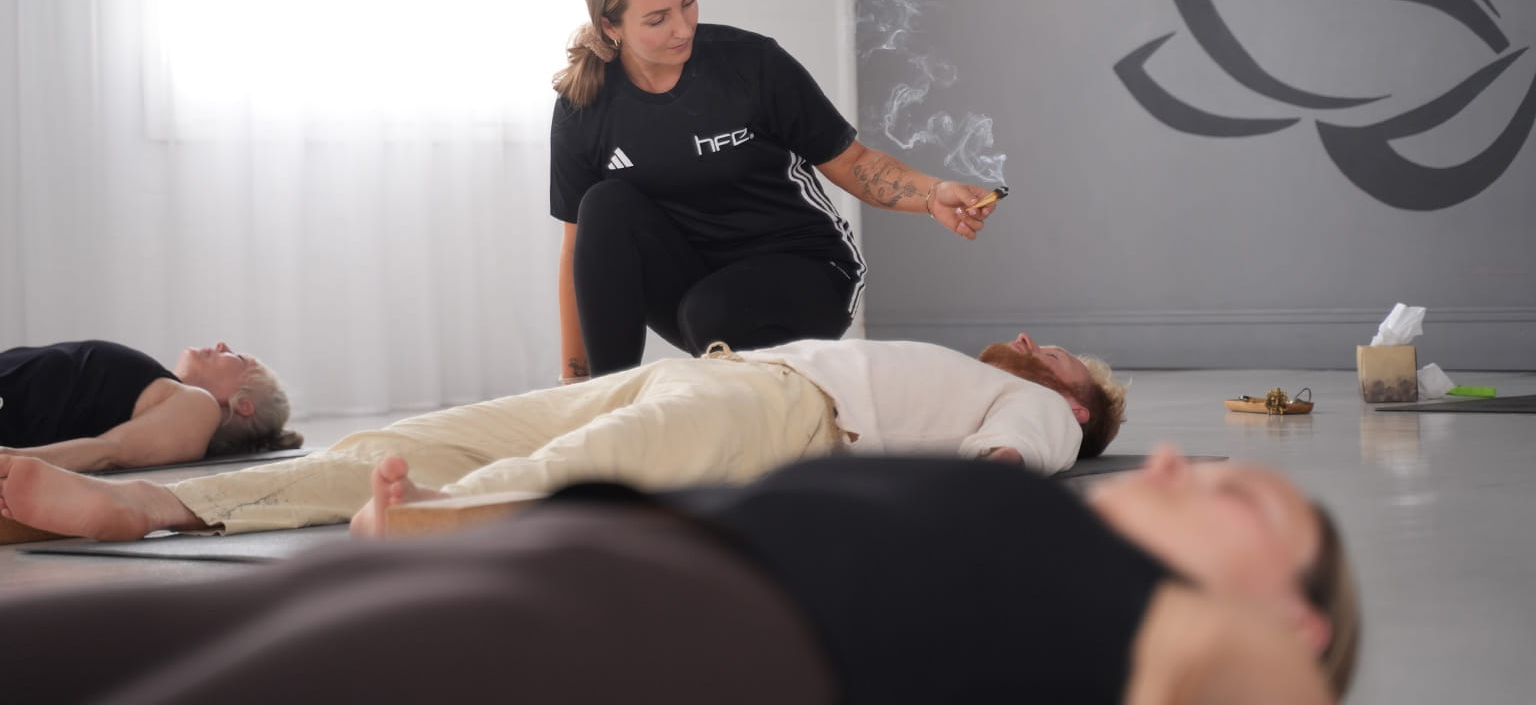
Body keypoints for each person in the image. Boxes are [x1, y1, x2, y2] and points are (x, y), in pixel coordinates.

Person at [0, 452, 1359, 705]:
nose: (1177, 460)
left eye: (1240, 494)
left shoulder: (1176, 639)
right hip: (561, 559)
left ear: (1293, 615)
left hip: (652, 635)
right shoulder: (1032, 527)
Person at [0, 333, 1123, 541]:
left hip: (787, 412)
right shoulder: (978, 368)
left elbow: (1006, 466)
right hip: (703, 372)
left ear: (1080, 403)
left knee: (576, 469)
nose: (1037, 347)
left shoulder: (1034, 411)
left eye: (1064, 356)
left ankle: (434, 523)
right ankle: (149, 503)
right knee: (419, 435)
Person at [552, 0, 1004, 381]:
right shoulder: (583, 106)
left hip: (806, 270)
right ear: (610, 26)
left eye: (689, 2)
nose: (684, 27)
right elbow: (580, 252)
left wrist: (932, 194)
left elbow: (853, 162)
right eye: (658, 19)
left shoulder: (751, 64)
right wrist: (572, 381)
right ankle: (604, 397)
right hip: (695, 287)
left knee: (710, 313)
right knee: (604, 206)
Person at [0, 340, 300, 472]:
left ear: (244, 405)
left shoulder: (199, 409)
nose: (222, 345)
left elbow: (105, 452)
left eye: (238, 358)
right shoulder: (166, 390)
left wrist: (10, 460)